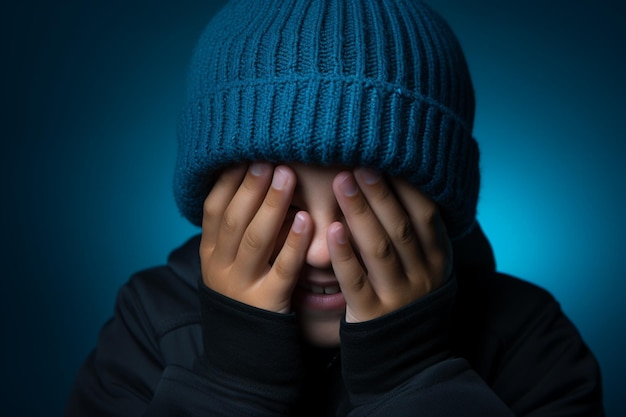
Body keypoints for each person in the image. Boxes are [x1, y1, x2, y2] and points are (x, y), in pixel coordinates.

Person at [65, 0, 604, 415]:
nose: (323, 251)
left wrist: (409, 374)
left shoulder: (529, 339)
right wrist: (234, 377)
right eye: (280, 208)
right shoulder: (151, 322)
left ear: (438, 205)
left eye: (367, 207)